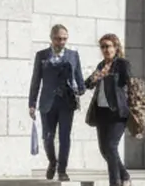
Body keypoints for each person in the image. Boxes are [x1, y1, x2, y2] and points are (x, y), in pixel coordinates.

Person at [27, 24, 84, 181]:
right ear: (51, 38)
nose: (62, 42)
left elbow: (79, 78)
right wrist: (31, 103)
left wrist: (80, 89)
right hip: (48, 102)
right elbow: (35, 80)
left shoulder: (73, 55)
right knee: (48, 136)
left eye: (64, 39)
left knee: (65, 136)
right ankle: (53, 161)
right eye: (58, 39)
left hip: (67, 103)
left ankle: (62, 169)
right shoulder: (42, 56)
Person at [84, 34, 132, 186]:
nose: (105, 49)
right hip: (101, 113)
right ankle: (124, 175)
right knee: (104, 150)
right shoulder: (100, 65)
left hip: (118, 112)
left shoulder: (122, 64)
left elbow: (131, 85)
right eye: (103, 46)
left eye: (108, 46)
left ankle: (115, 182)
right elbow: (87, 84)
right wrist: (97, 76)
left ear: (115, 47)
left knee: (111, 146)